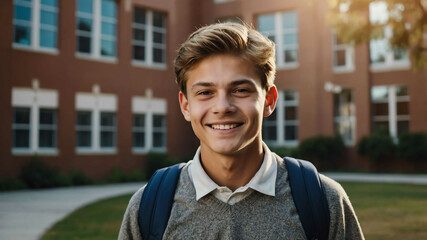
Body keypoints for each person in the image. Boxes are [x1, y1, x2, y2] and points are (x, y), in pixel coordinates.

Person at [119, 22, 364, 240]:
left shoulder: (324, 202)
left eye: (240, 90)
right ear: (185, 106)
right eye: (205, 92)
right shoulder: (147, 208)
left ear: (268, 100)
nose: (223, 107)